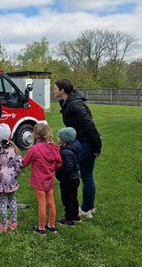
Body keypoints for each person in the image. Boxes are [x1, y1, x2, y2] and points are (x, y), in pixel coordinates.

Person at [53, 78, 102, 218]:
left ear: (63, 91)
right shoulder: (68, 101)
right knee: (86, 176)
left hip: (86, 143)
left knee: (86, 177)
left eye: (55, 88)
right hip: (80, 142)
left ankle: (86, 209)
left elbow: (90, 126)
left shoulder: (75, 105)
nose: (53, 91)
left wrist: (97, 148)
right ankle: (90, 206)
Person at [22, 123, 62, 236]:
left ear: (35, 135)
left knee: (42, 203)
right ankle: (52, 225)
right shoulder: (55, 147)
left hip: (39, 181)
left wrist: (17, 161)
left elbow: (24, 162)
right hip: (49, 179)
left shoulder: (35, 149)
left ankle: (41, 228)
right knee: (51, 202)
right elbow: (59, 163)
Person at [0, 124, 23, 233]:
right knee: (12, 199)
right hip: (12, 178)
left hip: (0, 179)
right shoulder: (13, 147)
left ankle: (3, 226)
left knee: (2, 202)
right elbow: (18, 163)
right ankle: (13, 222)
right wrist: (15, 173)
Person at [56, 127, 82, 227]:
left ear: (64, 139)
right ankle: (75, 216)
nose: (57, 138)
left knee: (67, 199)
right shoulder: (73, 147)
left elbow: (68, 167)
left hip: (68, 180)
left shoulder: (66, 152)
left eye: (58, 137)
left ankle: (69, 219)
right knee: (73, 198)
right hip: (74, 178)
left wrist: (59, 173)